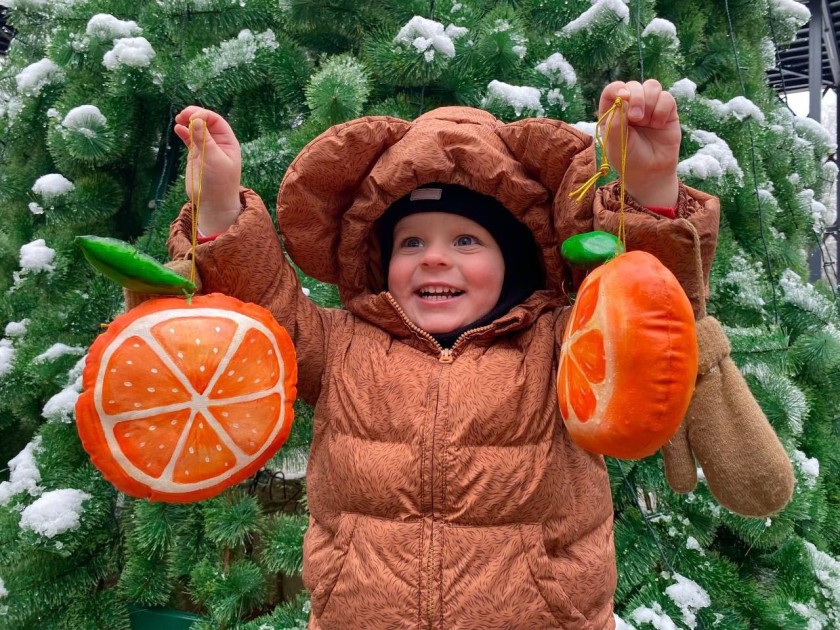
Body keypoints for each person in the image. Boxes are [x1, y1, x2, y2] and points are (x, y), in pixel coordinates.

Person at [162, 80, 790, 629]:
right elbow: (260, 314)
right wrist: (218, 204)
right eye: (411, 242)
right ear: (380, 260)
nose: (434, 258)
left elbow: (649, 313)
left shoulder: (560, 342)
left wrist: (647, 187)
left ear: (513, 259)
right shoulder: (343, 345)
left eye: (466, 240)